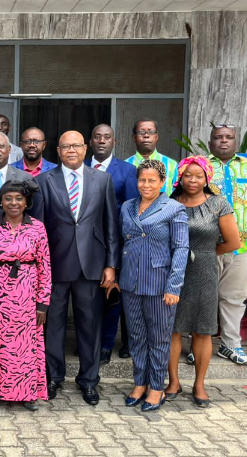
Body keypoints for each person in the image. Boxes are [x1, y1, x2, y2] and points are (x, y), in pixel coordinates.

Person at [32, 130, 120, 406]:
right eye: (65, 146)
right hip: (55, 265)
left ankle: (89, 381)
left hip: (91, 264)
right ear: (57, 151)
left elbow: (111, 225)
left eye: (76, 146)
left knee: (90, 325)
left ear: (85, 149)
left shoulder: (102, 180)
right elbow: (38, 228)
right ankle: (53, 377)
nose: (71, 150)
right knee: (53, 326)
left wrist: (111, 265)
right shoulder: (43, 181)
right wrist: (39, 268)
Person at [165, 156, 239, 407]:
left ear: (207, 178)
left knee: (202, 329)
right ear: (180, 177)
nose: (193, 180)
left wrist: (206, 253)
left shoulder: (218, 203)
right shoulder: (170, 203)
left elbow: (233, 241)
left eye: (199, 176)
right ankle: (173, 382)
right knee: (173, 328)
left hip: (204, 271)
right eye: (188, 175)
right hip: (173, 270)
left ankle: (199, 384)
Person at [119, 160, 189, 412]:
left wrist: (174, 286)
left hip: (160, 284)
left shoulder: (174, 208)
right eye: (142, 180)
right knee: (136, 336)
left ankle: (156, 387)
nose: (146, 185)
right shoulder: (127, 206)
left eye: (152, 180)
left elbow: (181, 248)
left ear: (162, 183)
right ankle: (140, 383)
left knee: (158, 338)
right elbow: (124, 241)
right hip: (131, 281)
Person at [0, 180, 52, 411]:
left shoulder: (37, 228)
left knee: (25, 345)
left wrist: (43, 303)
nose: (13, 203)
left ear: (26, 202)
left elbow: (45, 266)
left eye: (19, 198)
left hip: (27, 295)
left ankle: (27, 394)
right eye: (8, 198)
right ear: (1, 201)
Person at [206, 124, 247, 366]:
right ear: (210, 142)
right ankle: (200, 344)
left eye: (229, 137)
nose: (223, 141)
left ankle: (231, 345)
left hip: (242, 246)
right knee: (203, 296)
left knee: (234, 297)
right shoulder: (201, 166)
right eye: (218, 137)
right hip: (207, 245)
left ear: (236, 142)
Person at [85, 124, 139, 364]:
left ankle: (106, 344)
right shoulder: (80, 167)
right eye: (97, 136)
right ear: (90, 142)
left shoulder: (127, 171)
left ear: (114, 142)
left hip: (115, 242)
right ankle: (89, 342)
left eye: (106, 137)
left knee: (111, 294)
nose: (101, 141)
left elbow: (130, 210)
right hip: (85, 243)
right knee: (88, 296)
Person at [125, 120, 179, 195]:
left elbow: (177, 196)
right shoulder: (124, 166)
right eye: (141, 132)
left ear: (156, 136)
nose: (146, 135)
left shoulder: (172, 165)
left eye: (151, 132)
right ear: (134, 137)